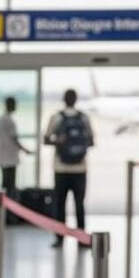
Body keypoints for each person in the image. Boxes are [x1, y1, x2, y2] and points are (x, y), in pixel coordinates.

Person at [43, 89, 94, 248]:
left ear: (64, 100)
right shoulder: (84, 117)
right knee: (80, 204)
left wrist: (60, 142)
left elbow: (46, 140)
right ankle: (82, 238)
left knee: (60, 204)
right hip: (80, 169)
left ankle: (60, 238)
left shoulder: (56, 117)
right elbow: (91, 141)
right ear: (75, 100)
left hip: (61, 169)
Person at [0, 95, 32, 192]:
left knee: (5, 182)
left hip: (4, 155)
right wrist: (25, 150)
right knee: (9, 184)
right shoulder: (9, 120)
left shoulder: (1, 119)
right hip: (9, 157)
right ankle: (8, 204)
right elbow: (14, 138)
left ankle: (5, 204)